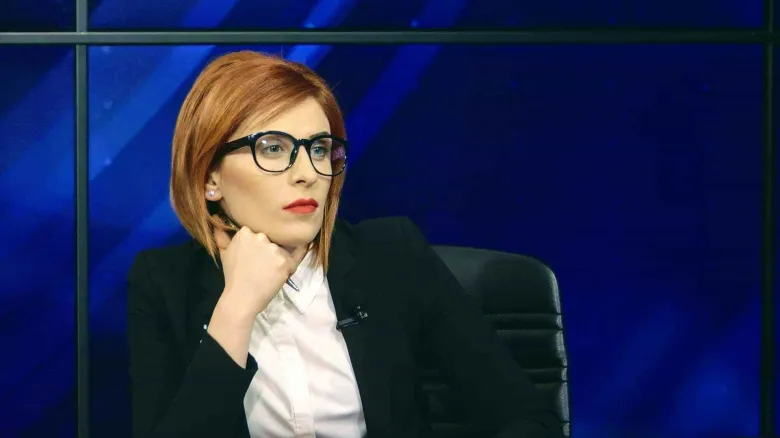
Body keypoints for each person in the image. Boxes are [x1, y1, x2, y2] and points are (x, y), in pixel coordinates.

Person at [127, 50, 562, 438]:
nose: (308, 173)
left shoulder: (392, 254)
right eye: (273, 148)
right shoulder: (164, 283)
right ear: (210, 178)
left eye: (319, 149)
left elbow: (530, 420)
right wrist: (236, 309)